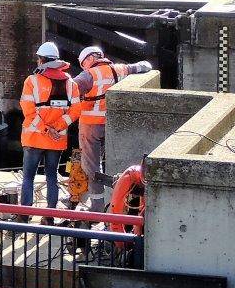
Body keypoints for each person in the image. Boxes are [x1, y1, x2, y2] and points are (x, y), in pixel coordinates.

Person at [72, 46, 152, 211]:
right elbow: (145, 66)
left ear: (88, 59)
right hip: (113, 125)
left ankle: (97, 206)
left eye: (83, 64)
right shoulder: (120, 69)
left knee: (91, 166)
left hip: (91, 127)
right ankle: (119, 196)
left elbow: (69, 90)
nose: (83, 67)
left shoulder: (88, 75)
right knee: (109, 162)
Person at [19, 42, 81, 213]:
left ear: (41, 60)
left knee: (28, 178)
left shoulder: (31, 81)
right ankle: (50, 215)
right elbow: (76, 111)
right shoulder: (71, 84)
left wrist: (47, 129)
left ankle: (25, 215)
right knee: (52, 176)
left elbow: (28, 111)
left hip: (34, 138)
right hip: (57, 140)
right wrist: (57, 127)